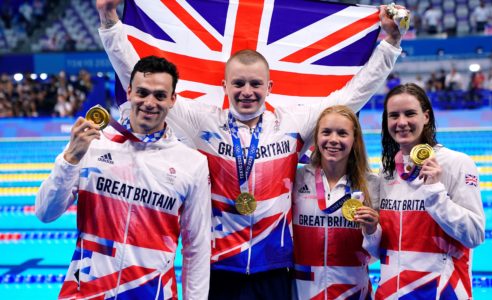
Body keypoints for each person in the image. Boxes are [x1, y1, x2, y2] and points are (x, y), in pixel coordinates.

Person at [96, 1, 405, 298]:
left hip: (275, 270)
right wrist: (109, 20)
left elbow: (353, 95)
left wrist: (390, 43)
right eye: (239, 83)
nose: (247, 92)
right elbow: (141, 83)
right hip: (219, 269)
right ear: (225, 85)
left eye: (256, 84)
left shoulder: (292, 123)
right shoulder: (202, 122)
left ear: (269, 88)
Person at [35, 56, 211, 300]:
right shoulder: (93, 145)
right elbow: (45, 213)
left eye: (160, 95)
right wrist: (70, 159)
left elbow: (198, 246)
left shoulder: (191, 163)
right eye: (142, 92)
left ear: (172, 100)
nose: (150, 103)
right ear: (129, 92)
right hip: (86, 293)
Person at [363, 83, 485, 299]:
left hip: (440, 292)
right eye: (394, 116)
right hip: (391, 293)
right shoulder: (387, 170)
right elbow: (378, 252)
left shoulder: (456, 163)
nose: (401, 122)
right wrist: (371, 230)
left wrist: (435, 191)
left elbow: (474, 234)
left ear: (426, 116)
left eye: (410, 113)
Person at [292, 105, 379, 299]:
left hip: (352, 290)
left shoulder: (372, 185)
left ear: (354, 140)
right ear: (316, 138)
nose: (333, 140)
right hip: (303, 290)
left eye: (342, 133)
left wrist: (373, 230)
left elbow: (378, 253)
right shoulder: (296, 179)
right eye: (326, 132)